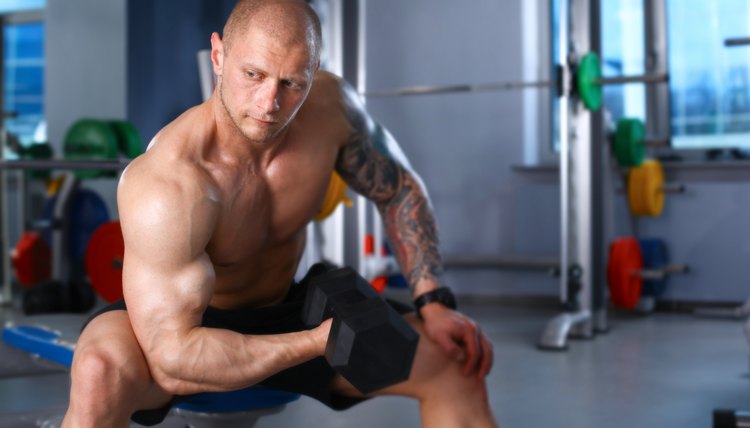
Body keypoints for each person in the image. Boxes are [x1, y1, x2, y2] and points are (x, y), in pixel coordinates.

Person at [62, 1, 497, 427]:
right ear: (219, 55)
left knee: (454, 365)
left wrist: (433, 300)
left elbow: (399, 187)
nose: (270, 102)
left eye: (292, 83)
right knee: (101, 370)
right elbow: (173, 358)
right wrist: (316, 342)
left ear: (314, 71)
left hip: (289, 306)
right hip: (185, 325)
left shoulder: (330, 110)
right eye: (253, 75)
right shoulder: (169, 181)